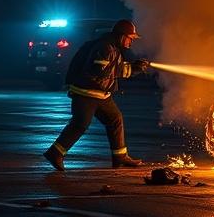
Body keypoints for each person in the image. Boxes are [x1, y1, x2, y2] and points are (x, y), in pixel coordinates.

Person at [44, 19, 149, 171]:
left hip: (100, 94)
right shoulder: (106, 48)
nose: (131, 42)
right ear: (121, 36)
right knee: (79, 125)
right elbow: (98, 71)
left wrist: (134, 68)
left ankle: (120, 156)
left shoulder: (112, 47)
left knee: (115, 119)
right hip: (86, 93)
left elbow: (113, 69)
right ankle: (55, 153)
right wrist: (129, 68)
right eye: (130, 38)